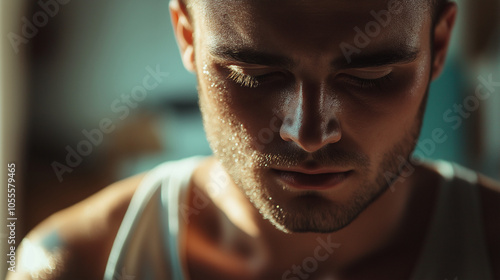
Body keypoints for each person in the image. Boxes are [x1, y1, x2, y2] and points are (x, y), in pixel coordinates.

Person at [8, 0, 500, 279]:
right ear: (187, 36)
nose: (308, 133)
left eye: (371, 75)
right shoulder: (75, 266)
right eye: (252, 74)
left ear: (437, 47)